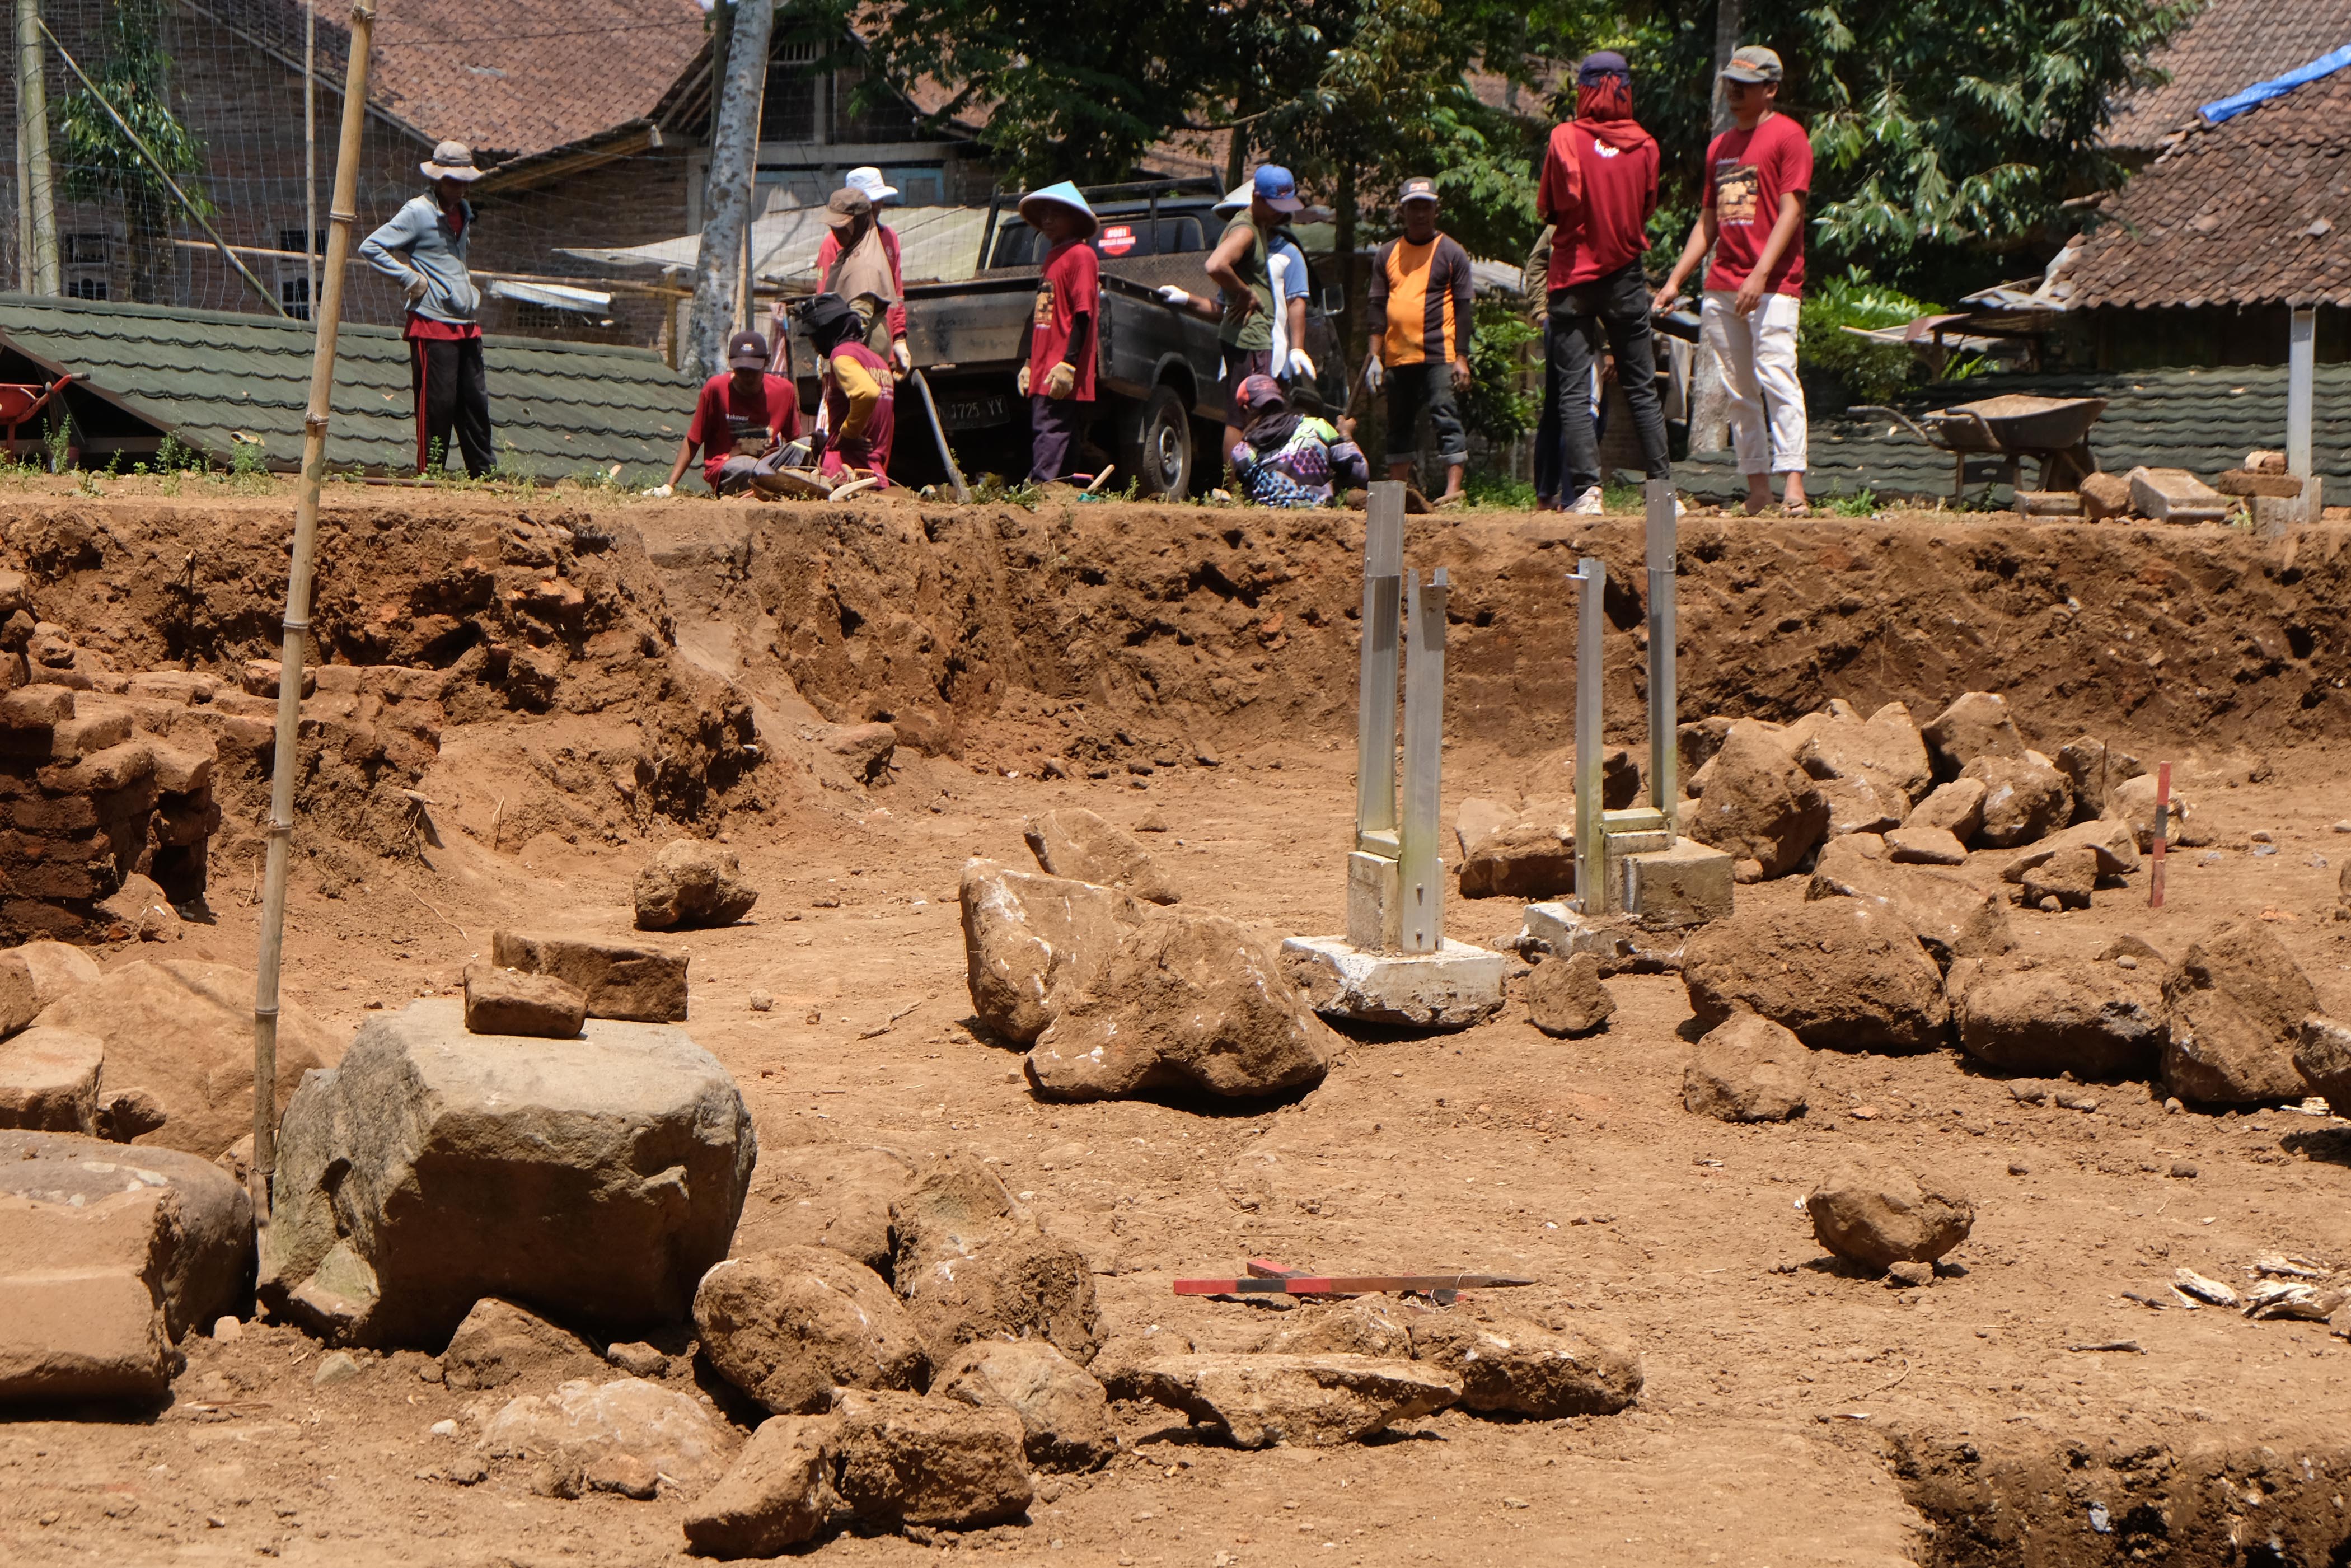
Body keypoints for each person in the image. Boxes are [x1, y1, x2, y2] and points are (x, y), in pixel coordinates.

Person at [1652, 44, 1812, 515]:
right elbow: (1709, 222)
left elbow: (1792, 211)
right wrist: (1675, 280)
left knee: (1778, 376)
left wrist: (1760, 274)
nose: (1734, 91)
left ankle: (1794, 486)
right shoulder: (1719, 148)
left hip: (1774, 286)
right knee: (1739, 391)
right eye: (1730, 83)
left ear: (1771, 89)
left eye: (1745, 85)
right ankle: (1759, 490)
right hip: (1723, 286)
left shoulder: (1789, 137)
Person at [1539, 50, 1673, 515]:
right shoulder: (1647, 146)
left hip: (1572, 277)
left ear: (1584, 90)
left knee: (1575, 391)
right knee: (1641, 387)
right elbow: (1646, 209)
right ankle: (1663, 492)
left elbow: (1550, 208)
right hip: (1625, 278)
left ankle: (1588, 493)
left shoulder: (1564, 138)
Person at [360, 139, 492, 477]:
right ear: (438, 179)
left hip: (465, 321)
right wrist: (410, 279)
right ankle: (430, 475)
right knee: (438, 403)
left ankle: (484, 474)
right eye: (454, 181)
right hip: (432, 320)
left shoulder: (464, 212)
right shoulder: (418, 212)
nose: (460, 188)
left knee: (474, 401)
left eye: (464, 181)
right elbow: (371, 247)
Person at [1364, 177, 1474, 506]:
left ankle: (1453, 492)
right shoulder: (1387, 253)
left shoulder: (1452, 252)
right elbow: (1376, 307)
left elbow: (1464, 309)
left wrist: (1462, 357)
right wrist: (1374, 357)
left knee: (1445, 414)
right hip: (1398, 355)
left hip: (1440, 353)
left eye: (1426, 207)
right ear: (1403, 212)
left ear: (1436, 210)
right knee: (1398, 422)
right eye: (1414, 208)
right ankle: (1398, 492)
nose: (1420, 214)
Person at [1159, 184, 1313, 385]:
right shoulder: (1236, 264)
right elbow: (1225, 310)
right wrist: (1187, 299)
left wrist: (1298, 349)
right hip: (1237, 355)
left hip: (1271, 358)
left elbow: (1296, 303)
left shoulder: (1288, 254)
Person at [1201, 165, 1299, 465]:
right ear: (1256, 197)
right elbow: (1215, 265)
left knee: (1251, 412)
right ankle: (1235, 485)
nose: (1280, 214)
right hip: (1248, 337)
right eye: (1275, 206)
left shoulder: (1259, 227)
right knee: (1243, 414)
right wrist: (1245, 293)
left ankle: (1245, 482)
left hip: (1251, 335)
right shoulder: (1245, 230)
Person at [1014, 181, 1100, 483]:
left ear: (1074, 219)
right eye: (1044, 214)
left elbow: (1083, 313)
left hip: (1059, 363)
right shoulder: (1053, 256)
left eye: (1056, 214)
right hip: (1044, 363)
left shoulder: (1081, 256)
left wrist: (1069, 363)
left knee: (1049, 426)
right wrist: (1029, 362)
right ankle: (1064, 487)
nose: (1047, 220)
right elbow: (1042, 312)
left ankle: (1041, 485)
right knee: (1060, 429)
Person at [651, 330, 804, 498]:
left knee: (806, 445)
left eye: (753, 370)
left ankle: (782, 486)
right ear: (731, 363)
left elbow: (795, 441)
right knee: (748, 466)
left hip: (768, 464)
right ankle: (771, 485)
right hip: (730, 467)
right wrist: (670, 486)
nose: (747, 376)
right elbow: (693, 440)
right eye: (741, 370)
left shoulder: (784, 391)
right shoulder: (716, 389)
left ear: (767, 362)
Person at [815, 167, 910, 372]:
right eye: (871, 201)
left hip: (871, 348)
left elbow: (896, 291)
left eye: (878, 200)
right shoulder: (835, 243)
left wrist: (899, 337)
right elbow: (826, 299)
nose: (877, 206)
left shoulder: (888, 239)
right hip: (847, 353)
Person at [1228, 373, 1367, 509]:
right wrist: (1346, 435)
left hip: (1270, 522)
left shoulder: (1242, 453)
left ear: (1245, 410)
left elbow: (1247, 499)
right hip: (1320, 519)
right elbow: (1360, 474)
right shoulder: (1318, 427)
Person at [800, 292, 896, 487]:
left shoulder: (842, 354)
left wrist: (847, 435)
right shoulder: (878, 362)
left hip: (843, 473)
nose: (812, 345)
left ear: (825, 332)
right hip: (875, 474)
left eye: (812, 336)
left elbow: (867, 393)